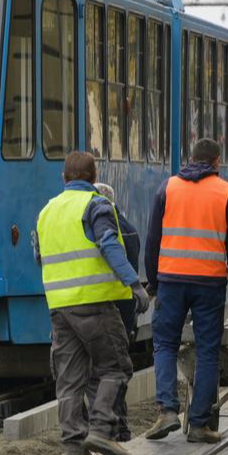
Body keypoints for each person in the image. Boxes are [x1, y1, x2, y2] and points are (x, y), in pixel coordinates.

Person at [34, 151, 149, 455]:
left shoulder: (47, 211)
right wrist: (134, 284)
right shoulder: (97, 205)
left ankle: (74, 452)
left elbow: (38, 256)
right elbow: (110, 244)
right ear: (93, 175)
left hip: (60, 307)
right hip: (95, 303)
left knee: (69, 379)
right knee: (115, 367)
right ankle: (100, 430)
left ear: (64, 178)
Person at [143, 138, 228, 445]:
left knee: (164, 344)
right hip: (210, 283)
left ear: (190, 159)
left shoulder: (168, 188)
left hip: (172, 280)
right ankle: (200, 424)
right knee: (207, 351)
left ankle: (167, 411)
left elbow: (153, 241)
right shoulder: (226, 192)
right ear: (216, 162)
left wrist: (154, 281)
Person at [94, 182, 141, 441]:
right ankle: (119, 427)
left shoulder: (100, 230)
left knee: (104, 371)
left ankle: (110, 428)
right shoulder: (130, 231)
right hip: (123, 312)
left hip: (103, 308)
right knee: (118, 369)